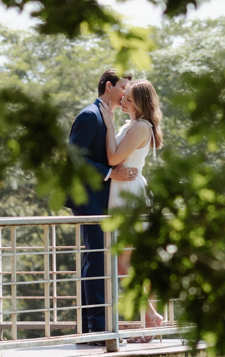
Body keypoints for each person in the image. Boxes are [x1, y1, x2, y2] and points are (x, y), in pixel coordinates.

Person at [68, 69, 136, 341]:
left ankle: (94, 327)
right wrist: (110, 174)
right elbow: (74, 158)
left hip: (105, 200)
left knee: (100, 260)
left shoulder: (105, 117)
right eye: (123, 88)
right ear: (109, 87)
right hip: (89, 199)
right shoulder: (89, 115)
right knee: (97, 259)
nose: (126, 94)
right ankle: (97, 329)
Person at [99, 79, 165, 337]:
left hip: (129, 194)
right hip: (123, 190)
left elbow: (114, 158)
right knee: (127, 263)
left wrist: (109, 124)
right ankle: (149, 320)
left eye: (128, 99)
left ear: (139, 102)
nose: (123, 101)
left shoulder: (140, 127)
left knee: (125, 264)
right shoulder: (133, 125)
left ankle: (151, 317)